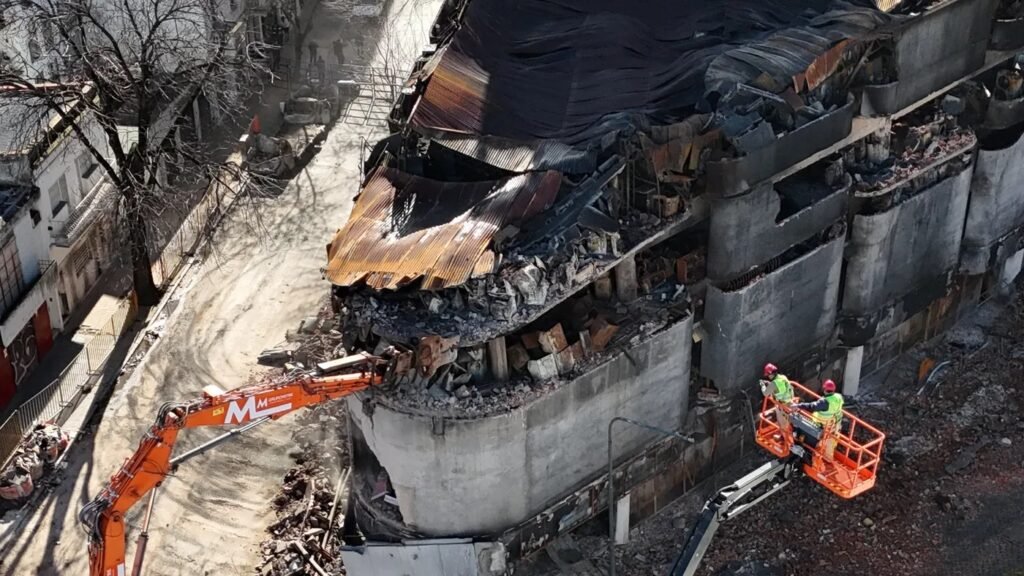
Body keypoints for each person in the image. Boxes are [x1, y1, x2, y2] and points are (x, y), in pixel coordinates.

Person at [792, 379, 844, 460]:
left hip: (822, 425)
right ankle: (828, 458)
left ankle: (811, 454)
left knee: (813, 436)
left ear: (824, 390)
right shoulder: (838, 397)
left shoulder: (824, 402)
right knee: (830, 440)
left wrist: (798, 405)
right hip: (835, 424)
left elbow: (812, 406)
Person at [760, 363, 794, 436]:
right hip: (790, 402)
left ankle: (785, 437)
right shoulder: (783, 377)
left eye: (768, 375)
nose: (768, 376)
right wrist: (770, 384)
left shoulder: (774, 384)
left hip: (782, 406)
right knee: (789, 420)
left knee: (783, 424)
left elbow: (766, 393)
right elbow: (780, 386)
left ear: (771, 374)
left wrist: (762, 385)